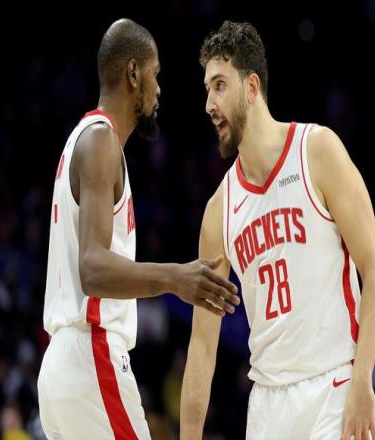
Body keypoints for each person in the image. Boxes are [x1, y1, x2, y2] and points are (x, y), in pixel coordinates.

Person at [180, 20, 375, 440]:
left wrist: (363, 379)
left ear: (251, 87)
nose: (209, 104)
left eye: (219, 86)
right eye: (206, 89)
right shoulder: (218, 212)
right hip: (267, 406)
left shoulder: (317, 151)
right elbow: (202, 346)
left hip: (333, 386)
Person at [37, 18, 239, 440]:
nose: (159, 89)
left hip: (61, 368)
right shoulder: (100, 141)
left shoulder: (84, 140)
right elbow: (92, 269)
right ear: (133, 73)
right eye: (155, 73)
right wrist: (175, 277)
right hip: (91, 354)